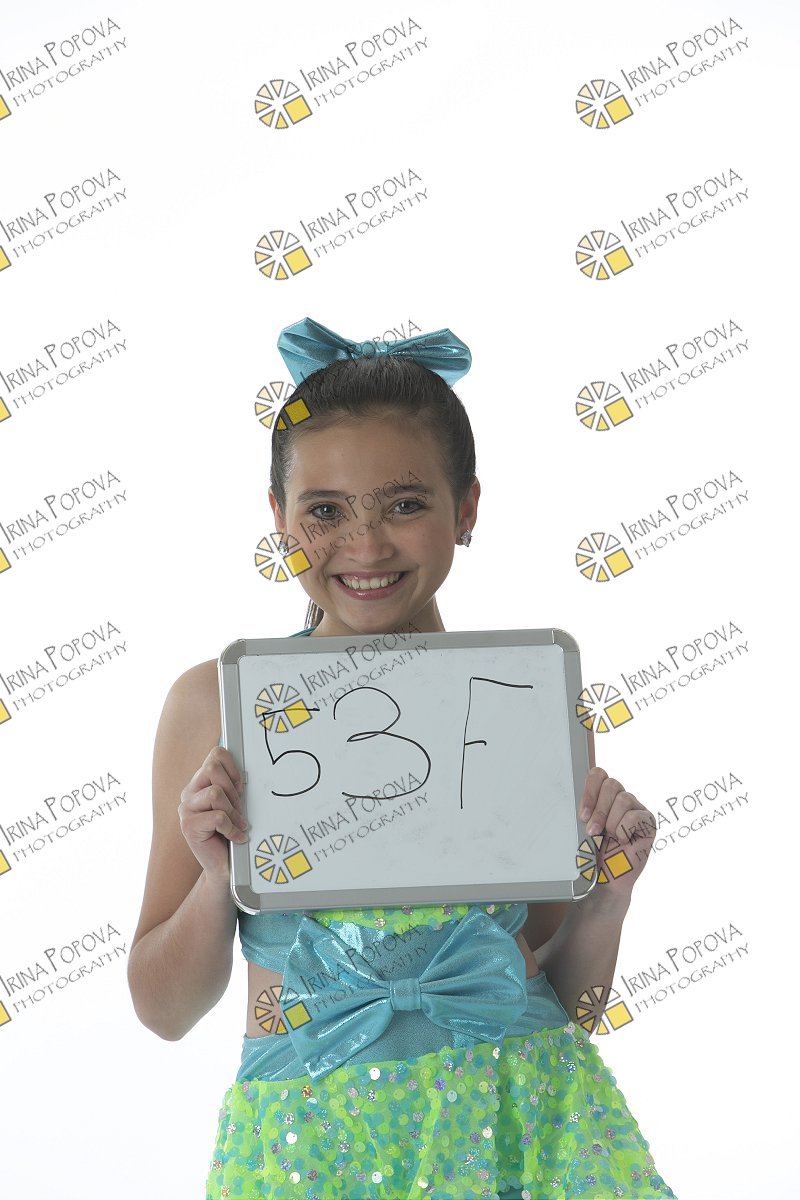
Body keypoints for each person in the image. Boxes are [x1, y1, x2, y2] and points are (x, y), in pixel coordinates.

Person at [128, 317, 676, 1200]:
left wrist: (609, 896)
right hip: (312, 1150)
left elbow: (566, 1001)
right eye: (325, 511)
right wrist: (216, 877)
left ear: (467, 509)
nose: (366, 544)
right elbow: (163, 1010)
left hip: (524, 1127)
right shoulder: (218, 707)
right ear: (279, 519)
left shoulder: (527, 696)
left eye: (407, 504)